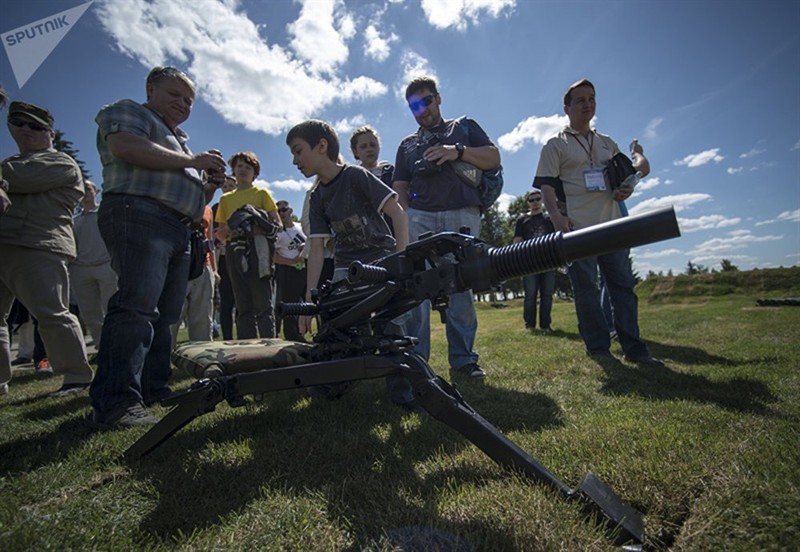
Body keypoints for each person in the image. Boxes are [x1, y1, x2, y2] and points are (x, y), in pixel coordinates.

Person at [88, 66, 227, 429]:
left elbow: (193, 195)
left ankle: (153, 388)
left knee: (166, 317)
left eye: (189, 100)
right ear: (151, 88)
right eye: (174, 95)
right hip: (139, 214)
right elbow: (126, 146)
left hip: (179, 229)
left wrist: (207, 185)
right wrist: (194, 162)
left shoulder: (180, 142)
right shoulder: (131, 112)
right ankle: (115, 401)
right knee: (136, 307)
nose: (182, 104)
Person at [533, 78, 663, 366]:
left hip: (613, 225)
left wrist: (627, 186)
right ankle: (598, 348)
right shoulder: (556, 145)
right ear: (566, 108)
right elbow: (546, 187)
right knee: (587, 290)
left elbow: (633, 172)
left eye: (591, 98)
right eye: (580, 100)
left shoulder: (607, 144)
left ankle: (635, 349)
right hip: (578, 230)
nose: (587, 104)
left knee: (622, 288)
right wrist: (557, 217)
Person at [286, 119, 414, 408]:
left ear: (321, 147)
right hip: (346, 268)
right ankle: (336, 383)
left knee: (389, 327)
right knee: (337, 326)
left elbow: (398, 214)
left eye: (298, 151)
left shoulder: (356, 176)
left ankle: (402, 390)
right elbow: (316, 247)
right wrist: (310, 296)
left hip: (381, 260)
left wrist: (401, 260)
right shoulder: (317, 196)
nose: (295, 161)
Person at [392, 75, 501, 379]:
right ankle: (418, 365)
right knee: (416, 291)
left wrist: (457, 151)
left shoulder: (464, 127)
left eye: (427, 100)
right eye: (414, 105)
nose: (422, 109)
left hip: (462, 215)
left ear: (438, 98)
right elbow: (400, 185)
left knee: (461, 288)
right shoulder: (407, 144)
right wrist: (403, 217)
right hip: (419, 218)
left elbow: (493, 158)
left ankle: (464, 361)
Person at [0, 101, 94, 397]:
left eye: (36, 126)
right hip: (5, 243)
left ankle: (77, 376)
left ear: (50, 134)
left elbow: (17, 177)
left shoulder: (60, 163)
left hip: (39, 246)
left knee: (52, 313)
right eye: (19, 122)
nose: (26, 130)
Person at [214, 151, 281, 339]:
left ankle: (269, 348)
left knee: (263, 305)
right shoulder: (225, 199)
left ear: (255, 173)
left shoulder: (261, 193)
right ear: (233, 170)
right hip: (235, 252)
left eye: (248, 167)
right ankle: (247, 352)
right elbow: (220, 233)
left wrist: (253, 228)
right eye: (239, 166)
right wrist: (232, 230)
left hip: (259, 252)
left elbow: (277, 225)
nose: (243, 170)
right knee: (243, 306)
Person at [69, 180, 118, 349]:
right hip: (81, 269)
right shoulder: (74, 221)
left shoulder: (106, 214)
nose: (85, 192)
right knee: (89, 312)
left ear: (96, 192)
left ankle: (115, 346)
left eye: (88, 188)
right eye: (81, 189)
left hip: (106, 266)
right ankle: (101, 345)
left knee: (111, 308)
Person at [171, 203, 218, 346]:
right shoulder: (175, 202)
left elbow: (209, 241)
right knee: (172, 316)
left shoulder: (208, 210)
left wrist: (214, 270)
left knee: (203, 317)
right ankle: (163, 359)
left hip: (204, 264)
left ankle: (202, 357)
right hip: (178, 265)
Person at [513, 189, 556, 331]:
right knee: (530, 294)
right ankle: (529, 324)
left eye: (538, 199)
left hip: (548, 262)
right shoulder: (522, 221)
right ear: (528, 203)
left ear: (542, 200)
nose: (535, 203)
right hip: (529, 263)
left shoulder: (549, 220)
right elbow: (517, 242)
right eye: (531, 200)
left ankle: (545, 325)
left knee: (547, 294)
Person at [273, 200, 307, 342]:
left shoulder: (300, 227)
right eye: (278, 211)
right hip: (287, 271)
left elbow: (309, 241)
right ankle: (291, 334)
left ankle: (302, 332)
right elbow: (274, 257)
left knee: (305, 302)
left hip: (305, 269)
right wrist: (292, 261)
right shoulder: (277, 234)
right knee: (290, 303)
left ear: (290, 211)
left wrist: (303, 249)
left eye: (284, 210)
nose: (282, 214)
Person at [211, 175, 237, 340]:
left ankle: (245, 338)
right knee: (226, 303)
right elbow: (213, 235)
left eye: (230, 186)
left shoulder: (243, 205)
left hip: (243, 257)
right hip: (224, 258)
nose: (227, 188)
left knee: (243, 302)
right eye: (225, 186)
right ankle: (227, 339)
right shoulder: (216, 208)